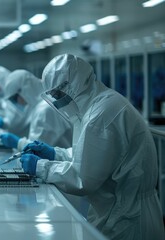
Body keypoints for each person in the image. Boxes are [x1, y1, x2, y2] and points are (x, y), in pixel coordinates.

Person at [20, 54, 164, 240]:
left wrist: (41, 167)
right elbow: (91, 155)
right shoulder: (97, 106)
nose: (57, 102)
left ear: (73, 86)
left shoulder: (101, 114)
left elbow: (83, 178)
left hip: (129, 219)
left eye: (57, 95)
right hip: (118, 211)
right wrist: (56, 153)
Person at [0, 69, 72, 150]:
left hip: (59, 161)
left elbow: (38, 147)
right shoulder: (41, 104)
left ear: (25, 89)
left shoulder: (45, 109)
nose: (17, 102)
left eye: (15, 98)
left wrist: (19, 143)